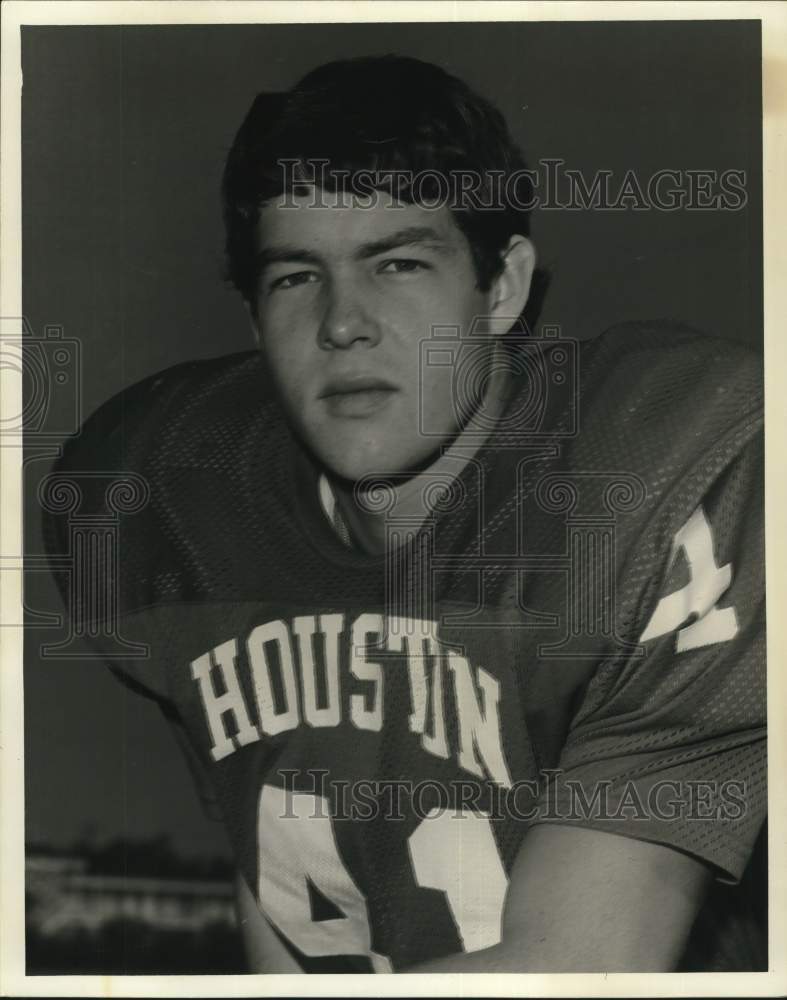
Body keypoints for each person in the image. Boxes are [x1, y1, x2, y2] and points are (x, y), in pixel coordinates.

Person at [43, 55, 766, 973]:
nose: (344, 321)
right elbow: (286, 881)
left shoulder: (665, 473)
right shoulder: (170, 507)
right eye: (296, 276)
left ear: (500, 288)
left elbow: (578, 972)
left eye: (399, 263)